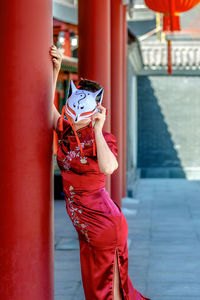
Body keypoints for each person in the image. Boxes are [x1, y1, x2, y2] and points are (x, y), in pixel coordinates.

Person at [49, 44, 151, 300]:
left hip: (105, 226)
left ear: (95, 111)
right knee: (95, 291)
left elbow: (109, 167)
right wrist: (56, 70)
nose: (73, 118)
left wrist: (97, 129)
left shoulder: (104, 139)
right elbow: (46, 111)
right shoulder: (67, 133)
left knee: (109, 293)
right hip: (85, 228)